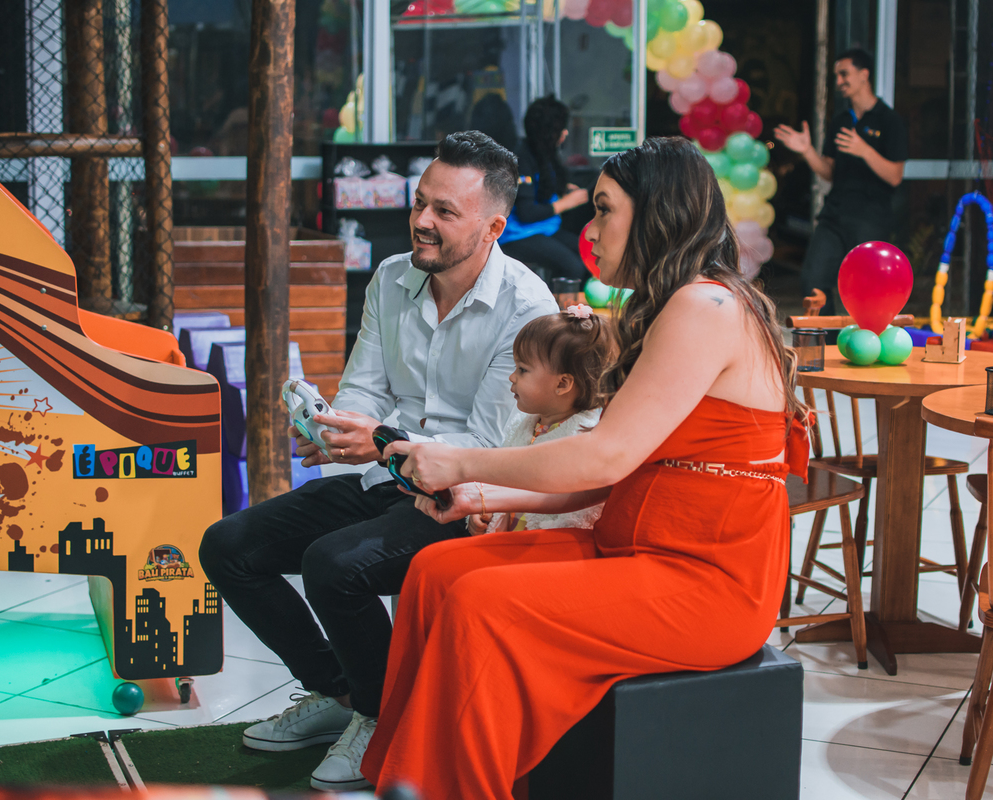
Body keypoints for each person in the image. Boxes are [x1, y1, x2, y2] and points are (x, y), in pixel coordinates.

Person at [358, 136, 813, 799]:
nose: (589, 231)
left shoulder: (704, 307)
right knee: (435, 571)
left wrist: (457, 458)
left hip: (707, 583)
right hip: (635, 547)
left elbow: (605, 453)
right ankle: (409, 780)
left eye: (604, 211)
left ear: (658, 214)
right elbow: (615, 472)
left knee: (485, 605)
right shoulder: (673, 305)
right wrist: (480, 488)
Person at [198, 131, 558, 792]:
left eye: (445, 212)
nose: (421, 220)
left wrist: (383, 440)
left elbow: (482, 451)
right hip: (385, 476)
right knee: (229, 545)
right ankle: (339, 696)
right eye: (421, 202)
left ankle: (380, 716)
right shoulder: (393, 278)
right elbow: (365, 386)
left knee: (334, 565)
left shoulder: (527, 309)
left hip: (464, 500)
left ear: (492, 227)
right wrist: (335, 427)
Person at [774, 47, 907, 315]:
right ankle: (831, 346)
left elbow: (895, 176)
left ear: (864, 74)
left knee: (866, 290)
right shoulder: (841, 121)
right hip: (834, 214)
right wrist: (807, 151)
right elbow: (829, 172)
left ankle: (865, 345)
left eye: (844, 74)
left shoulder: (889, 120)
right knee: (813, 282)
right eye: (837, 76)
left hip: (870, 218)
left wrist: (865, 151)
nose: (839, 82)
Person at [469, 304, 614, 535]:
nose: (512, 376)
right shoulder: (522, 425)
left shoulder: (584, 439)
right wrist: (482, 505)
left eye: (523, 370)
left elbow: (577, 518)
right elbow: (499, 477)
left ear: (562, 384)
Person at [499, 95, 590, 282]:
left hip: (546, 229)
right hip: (518, 235)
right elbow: (527, 213)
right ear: (549, 131)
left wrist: (562, 189)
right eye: (561, 129)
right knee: (573, 268)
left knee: (590, 253)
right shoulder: (522, 158)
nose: (566, 133)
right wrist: (565, 203)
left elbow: (542, 187)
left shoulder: (544, 153)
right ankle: (558, 310)